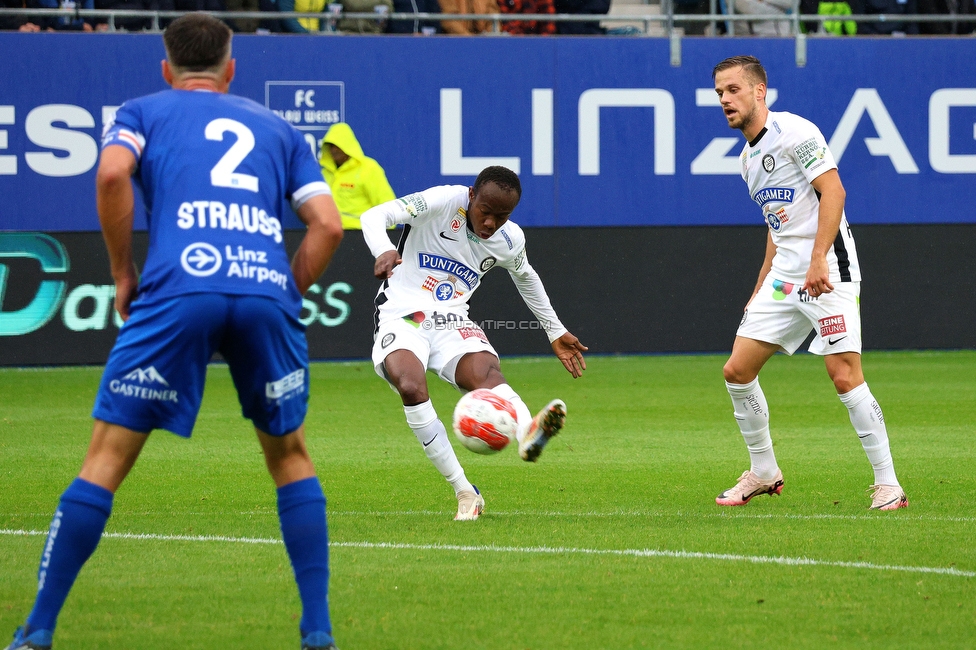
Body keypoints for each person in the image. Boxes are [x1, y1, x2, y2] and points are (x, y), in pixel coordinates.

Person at [5, 13, 344, 650]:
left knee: (105, 459)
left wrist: (121, 271)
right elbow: (327, 225)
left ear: (167, 68)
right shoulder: (277, 127)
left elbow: (110, 176)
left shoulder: (142, 110)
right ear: (231, 69)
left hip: (178, 288)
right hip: (263, 290)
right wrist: (284, 289)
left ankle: (38, 630)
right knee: (290, 456)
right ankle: (317, 632)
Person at [710, 55, 907, 512]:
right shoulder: (747, 158)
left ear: (760, 91)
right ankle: (763, 471)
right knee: (737, 372)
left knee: (843, 375)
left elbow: (833, 191)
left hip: (828, 268)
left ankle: (888, 484)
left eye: (733, 89)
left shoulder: (796, 132)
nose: (724, 99)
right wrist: (762, 283)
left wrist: (819, 258)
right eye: (719, 92)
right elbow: (775, 226)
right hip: (784, 278)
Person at [360, 166, 587, 521]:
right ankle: (465, 491)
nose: (492, 222)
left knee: (485, 373)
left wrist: (554, 331)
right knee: (410, 386)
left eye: (503, 215)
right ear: (471, 196)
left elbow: (526, 277)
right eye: (486, 211)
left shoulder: (510, 239)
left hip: (451, 317)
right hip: (404, 313)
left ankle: (527, 431)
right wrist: (383, 249)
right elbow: (375, 215)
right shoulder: (443, 200)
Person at [318, 122, 396, 230]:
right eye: (330, 146)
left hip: (360, 234)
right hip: (330, 235)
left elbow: (387, 206)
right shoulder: (324, 174)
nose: (333, 150)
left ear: (347, 146)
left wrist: (384, 240)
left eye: (337, 145)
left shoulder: (368, 168)